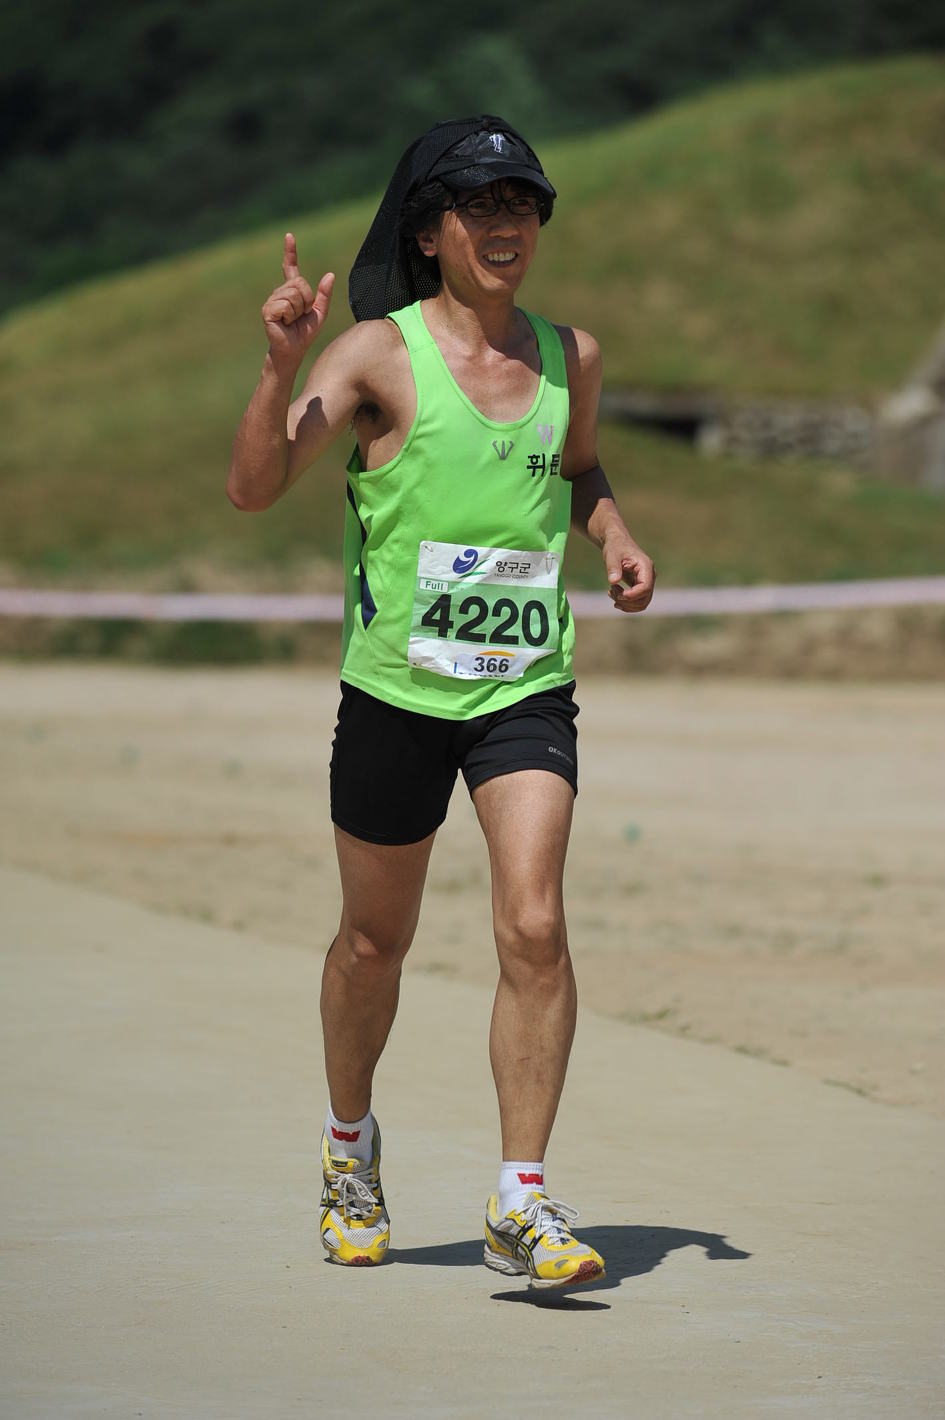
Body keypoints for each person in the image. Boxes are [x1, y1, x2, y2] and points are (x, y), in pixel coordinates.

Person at [227, 116, 655, 1290]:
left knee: (535, 924)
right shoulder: (375, 355)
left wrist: (611, 532)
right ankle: (349, 1150)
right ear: (429, 231)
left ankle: (520, 1196)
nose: (507, 217)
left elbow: (575, 469)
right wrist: (279, 370)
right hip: (396, 697)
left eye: (524, 198)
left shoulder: (575, 355)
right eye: (480, 201)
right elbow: (254, 487)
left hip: (525, 687)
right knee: (376, 941)